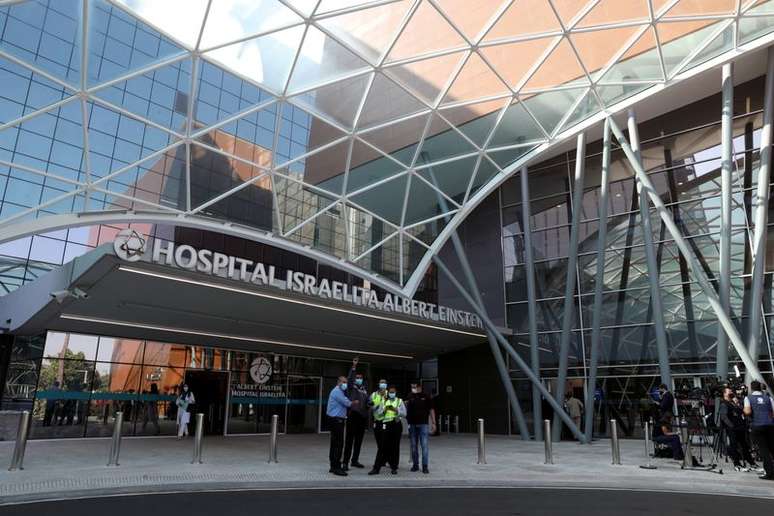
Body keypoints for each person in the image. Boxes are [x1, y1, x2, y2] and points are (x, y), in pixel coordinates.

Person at [369, 385, 406, 475]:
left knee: (395, 447)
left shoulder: (399, 401)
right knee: (382, 447)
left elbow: (404, 413)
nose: (391, 393)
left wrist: (396, 410)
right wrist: (384, 410)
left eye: (393, 392)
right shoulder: (384, 401)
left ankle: (394, 467)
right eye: (390, 392)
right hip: (386, 424)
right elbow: (379, 414)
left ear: (396, 393)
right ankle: (376, 468)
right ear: (388, 393)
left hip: (396, 424)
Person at [718, 387, 757, 471]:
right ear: (724, 394)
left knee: (744, 445)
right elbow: (724, 417)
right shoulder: (724, 404)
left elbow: (742, 411)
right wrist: (731, 426)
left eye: (731, 391)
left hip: (740, 427)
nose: (731, 392)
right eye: (729, 391)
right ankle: (737, 464)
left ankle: (751, 463)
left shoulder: (734, 402)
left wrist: (737, 403)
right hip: (733, 428)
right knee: (734, 445)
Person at [743, 380, 774, 480]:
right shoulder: (768, 398)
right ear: (760, 388)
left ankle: (770, 473)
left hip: (757, 425)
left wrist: (744, 410)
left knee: (764, 450)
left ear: (751, 388)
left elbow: (747, 411)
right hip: (770, 425)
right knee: (772, 448)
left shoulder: (748, 398)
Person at [326, 376, 356, 476]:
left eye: (346, 382)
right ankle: (337, 468)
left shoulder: (339, 391)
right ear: (338, 382)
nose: (345, 384)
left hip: (334, 420)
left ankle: (333, 466)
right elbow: (347, 403)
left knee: (334, 443)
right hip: (336, 420)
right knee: (338, 444)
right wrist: (354, 402)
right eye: (344, 382)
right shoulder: (337, 391)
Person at [343, 357, 368, 471]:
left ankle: (355, 460)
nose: (359, 379)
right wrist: (354, 366)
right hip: (353, 415)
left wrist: (369, 404)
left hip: (362, 417)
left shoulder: (364, 389)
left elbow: (367, 400)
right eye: (357, 378)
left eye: (360, 378)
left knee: (359, 441)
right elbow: (350, 378)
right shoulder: (351, 387)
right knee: (349, 441)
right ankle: (345, 463)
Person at [405, 382, 436, 473]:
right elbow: (406, 409)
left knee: (424, 446)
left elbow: (431, 409)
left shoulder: (426, 396)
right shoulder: (410, 396)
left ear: (419, 387)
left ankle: (425, 466)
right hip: (412, 424)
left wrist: (434, 423)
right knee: (413, 446)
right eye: (412, 387)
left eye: (414, 387)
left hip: (423, 424)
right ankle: (415, 465)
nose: (413, 388)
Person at [368, 378, 389, 471]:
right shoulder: (374, 394)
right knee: (379, 443)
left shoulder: (389, 394)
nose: (383, 384)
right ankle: (383, 459)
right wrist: (374, 406)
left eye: (384, 383)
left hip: (386, 422)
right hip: (376, 421)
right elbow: (369, 405)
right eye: (381, 382)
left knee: (383, 443)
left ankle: (378, 464)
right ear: (379, 384)